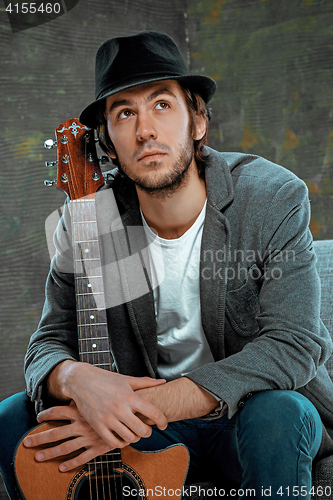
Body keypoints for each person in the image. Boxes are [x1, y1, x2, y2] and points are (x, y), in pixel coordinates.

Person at [1, 30, 333, 500]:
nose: (145, 131)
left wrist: (133, 408)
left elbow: (294, 344)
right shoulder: (96, 219)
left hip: (245, 417)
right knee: (14, 418)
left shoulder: (269, 198)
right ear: (108, 143)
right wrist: (75, 379)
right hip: (150, 438)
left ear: (197, 121)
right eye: (124, 113)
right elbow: (49, 344)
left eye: (162, 105)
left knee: (281, 412)